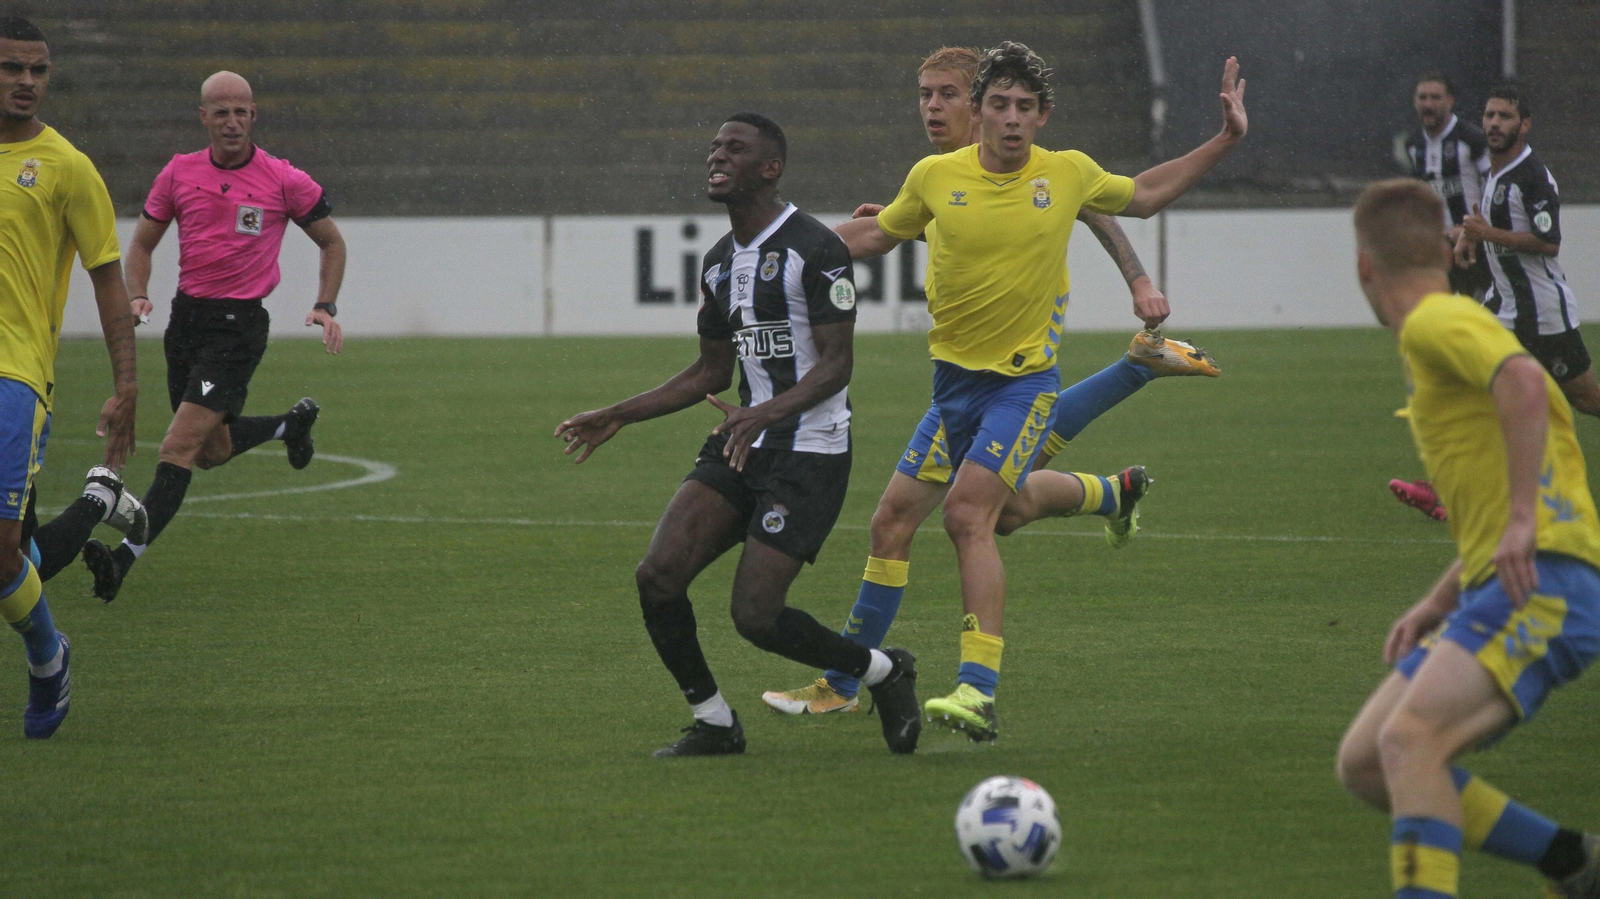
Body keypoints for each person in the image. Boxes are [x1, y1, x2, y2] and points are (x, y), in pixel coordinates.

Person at [762, 45, 1222, 718]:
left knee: (968, 514)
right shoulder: (934, 176)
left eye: (1021, 107)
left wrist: (1222, 143)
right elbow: (878, 234)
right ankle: (843, 682)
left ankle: (977, 688)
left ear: (1037, 114)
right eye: (996, 105)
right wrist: (789, 255)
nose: (1007, 118)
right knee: (908, 519)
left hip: (1021, 383)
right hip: (952, 386)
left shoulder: (1061, 173)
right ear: (985, 110)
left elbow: (1137, 199)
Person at [555, 113, 922, 758]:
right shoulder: (722, 263)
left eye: (735, 148)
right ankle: (715, 723)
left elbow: (837, 366)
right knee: (658, 576)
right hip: (742, 445)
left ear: (769, 167)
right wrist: (620, 413)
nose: (715, 156)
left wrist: (769, 410)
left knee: (756, 617)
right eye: (714, 146)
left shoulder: (816, 248)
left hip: (810, 453)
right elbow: (711, 371)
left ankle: (886, 673)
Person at [1336, 178, 1600, 899]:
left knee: (1408, 739)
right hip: (1515, 578)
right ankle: (1574, 861)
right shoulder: (1451, 323)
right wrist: (1437, 598)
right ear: (1453, 251)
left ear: (1365, 266)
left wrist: (1520, 522)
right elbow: (1502, 475)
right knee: (1366, 759)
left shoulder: (1431, 324)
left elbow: (1520, 378)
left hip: (1544, 580)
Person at [81, 70, 346, 602]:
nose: (232, 122)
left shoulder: (282, 178)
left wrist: (324, 304)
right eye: (221, 112)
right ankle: (289, 426)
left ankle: (120, 562)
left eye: (241, 111)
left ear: (254, 115)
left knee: (177, 447)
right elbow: (140, 246)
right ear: (203, 117)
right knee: (210, 450)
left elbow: (332, 242)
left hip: (238, 327)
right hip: (186, 323)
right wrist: (137, 293)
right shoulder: (180, 173)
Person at [0, 14, 141, 738]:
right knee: (15, 559)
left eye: (38, 70)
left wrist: (127, 382)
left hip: (13, 376)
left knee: (3, 558)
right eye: (12, 68)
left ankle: (47, 653)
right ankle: (96, 501)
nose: (26, 82)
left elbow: (108, 280)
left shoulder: (65, 166)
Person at [1453, 84, 1600, 418]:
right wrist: (1471, 234)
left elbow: (1548, 243)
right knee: (1469, 384)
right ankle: (1467, 469)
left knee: (1587, 399)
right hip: (1502, 306)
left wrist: (1485, 232)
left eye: (1505, 116)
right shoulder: (1496, 170)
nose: (1494, 123)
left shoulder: (1532, 176)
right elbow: (1498, 222)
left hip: (1541, 312)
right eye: (1489, 115)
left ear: (1525, 125)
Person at [1389, 71, 1491, 522]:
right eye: (1421, 96)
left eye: (1435, 96)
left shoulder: (1470, 140)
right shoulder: (1414, 144)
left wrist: (1470, 228)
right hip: (1443, 261)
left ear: (1450, 99)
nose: (1428, 103)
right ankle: (1451, 478)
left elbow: (1491, 190)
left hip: (1482, 257)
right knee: (1448, 359)